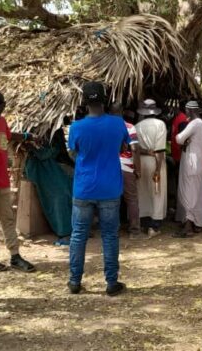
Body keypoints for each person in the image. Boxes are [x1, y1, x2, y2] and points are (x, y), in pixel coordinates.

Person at [66, 82, 130, 297]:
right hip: (110, 188)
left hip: (83, 188)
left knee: (78, 235)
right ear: (105, 100)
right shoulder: (118, 123)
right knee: (110, 236)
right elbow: (123, 148)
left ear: (84, 102)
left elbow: (73, 152)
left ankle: (75, 281)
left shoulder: (76, 127)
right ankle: (111, 282)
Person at [0, 91, 35, 272]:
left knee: (8, 220)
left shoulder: (2, 122)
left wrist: (27, 137)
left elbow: (8, 137)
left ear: (4, 105)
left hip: (2, 180)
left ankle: (15, 255)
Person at [174, 101, 202, 237]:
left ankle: (188, 227)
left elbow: (179, 138)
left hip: (192, 164)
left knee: (189, 194)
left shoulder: (194, 124)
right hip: (198, 163)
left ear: (189, 111)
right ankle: (196, 223)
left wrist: (183, 139)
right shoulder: (200, 124)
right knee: (196, 193)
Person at [135, 99, 168, 238]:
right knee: (157, 192)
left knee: (143, 191)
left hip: (141, 161)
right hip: (156, 162)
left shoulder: (137, 126)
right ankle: (154, 226)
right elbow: (159, 150)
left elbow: (135, 149)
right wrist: (158, 169)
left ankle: (144, 222)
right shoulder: (160, 124)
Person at [110, 103, 142, 239]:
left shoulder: (106, 128)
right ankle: (134, 231)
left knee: (112, 200)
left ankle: (113, 231)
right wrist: (138, 169)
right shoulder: (129, 127)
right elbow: (134, 149)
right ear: (122, 111)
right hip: (127, 167)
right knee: (132, 200)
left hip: (110, 168)